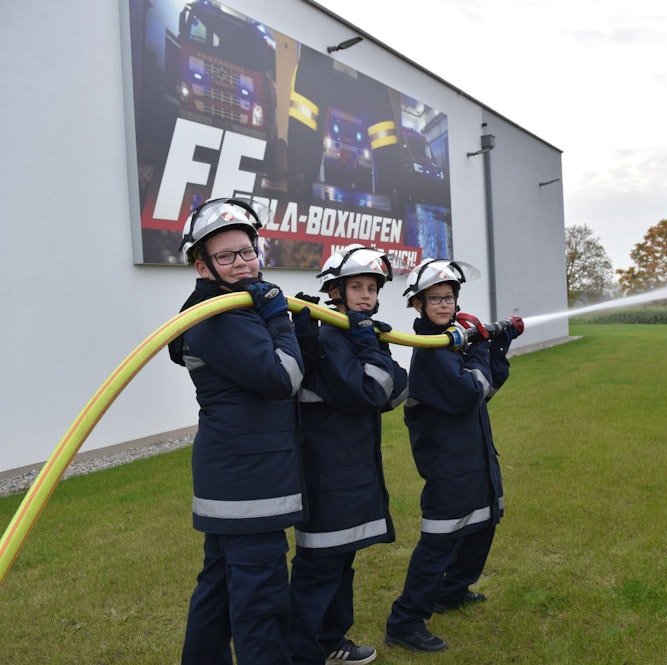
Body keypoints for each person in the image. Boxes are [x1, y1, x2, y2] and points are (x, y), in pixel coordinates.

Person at [168, 197, 305, 665]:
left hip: (234, 476)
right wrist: (280, 319)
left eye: (247, 251)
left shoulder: (234, 308)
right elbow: (282, 378)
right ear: (202, 266)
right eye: (226, 256)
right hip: (249, 481)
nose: (243, 263)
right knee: (261, 602)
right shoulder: (219, 315)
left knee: (220, 589)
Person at [384, 258, 523, 653]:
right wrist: (478, 345)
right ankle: (405, 620)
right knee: (440, 542)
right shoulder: (431, 352)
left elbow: (486, 390)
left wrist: (496, 347)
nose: (444, 305)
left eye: (448, 297)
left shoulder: (454, 343)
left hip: (474, 455)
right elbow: (466, 393)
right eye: (435, 299)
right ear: (418, 305)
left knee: (482, 525)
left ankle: (452, 592)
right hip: (449, 466)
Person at [289, 244, 409, 665]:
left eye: (372, 288)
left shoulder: (356, 336)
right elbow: (371, 391)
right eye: (356, 286)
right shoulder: (329, 336)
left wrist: (373, 346)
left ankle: (331, 639)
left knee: (341, 562)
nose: (366, 296)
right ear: (334, 291)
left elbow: (397, 393)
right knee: (319, 567)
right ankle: (302, 653)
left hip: (351, 470)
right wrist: (371, 348)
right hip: (329, 471)